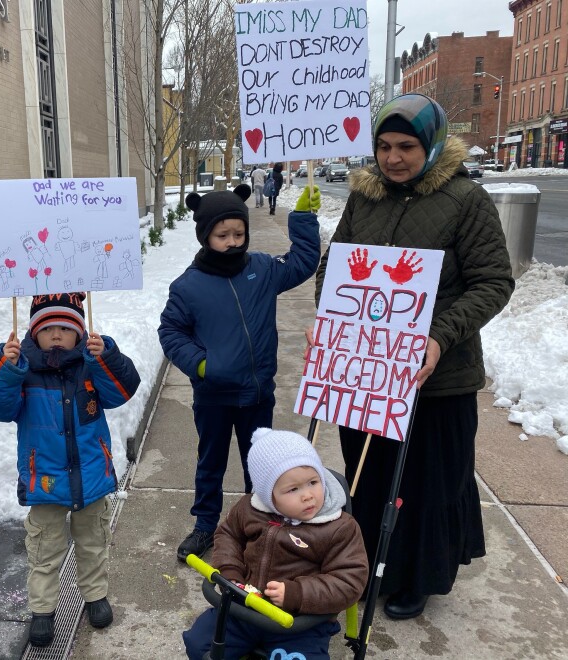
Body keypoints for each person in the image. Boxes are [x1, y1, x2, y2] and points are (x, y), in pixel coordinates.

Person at [313, 93, 514, 620]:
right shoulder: (364, 199)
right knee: (369, 473)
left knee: (426, 481)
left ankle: (415, 575)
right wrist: (331, 321)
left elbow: (493, 282)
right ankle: (370, 566)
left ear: (433, 145)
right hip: (368, 372)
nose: (393, 157)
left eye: (406, 146)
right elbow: (335, 268)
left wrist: (439, 337)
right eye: (383, 146)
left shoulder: (466, 200)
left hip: (437, 377)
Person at [158, 183, 321, 562]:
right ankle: (204, 526)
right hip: (214, 396)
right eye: (223, 235)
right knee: (210, 461)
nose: (233, 241)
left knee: (260, 462)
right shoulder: (188, 286)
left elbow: (302, 262)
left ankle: (260, 525)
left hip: (257, 394)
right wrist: (201, 365)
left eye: (239, 233)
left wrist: (303, 220)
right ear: (205, 236)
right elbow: (170, 332)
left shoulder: (262, 269)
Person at [0, 293, 140, 648]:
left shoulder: (90, 366)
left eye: (66, 328)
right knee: (44, 549)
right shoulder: (23, 370)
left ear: (80, 332)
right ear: (34, 333)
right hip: (44, 478)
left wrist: (106, 356)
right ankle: (43, 610)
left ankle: (95, 595)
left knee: (93, 542)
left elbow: (124, 390)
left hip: (91, 476)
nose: (57, 335)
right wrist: (5, 367)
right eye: (48, 328)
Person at [182, 428, 368, 660]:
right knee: (200, 644)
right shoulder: (250, 509)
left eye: (313, 482)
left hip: (297, 624)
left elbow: (349, 580)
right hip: (243, 609)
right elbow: (228, 534)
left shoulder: (338, 528)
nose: (308, 495)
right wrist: (230, 572)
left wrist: (297, 593)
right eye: (293, 489)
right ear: (269, 494)